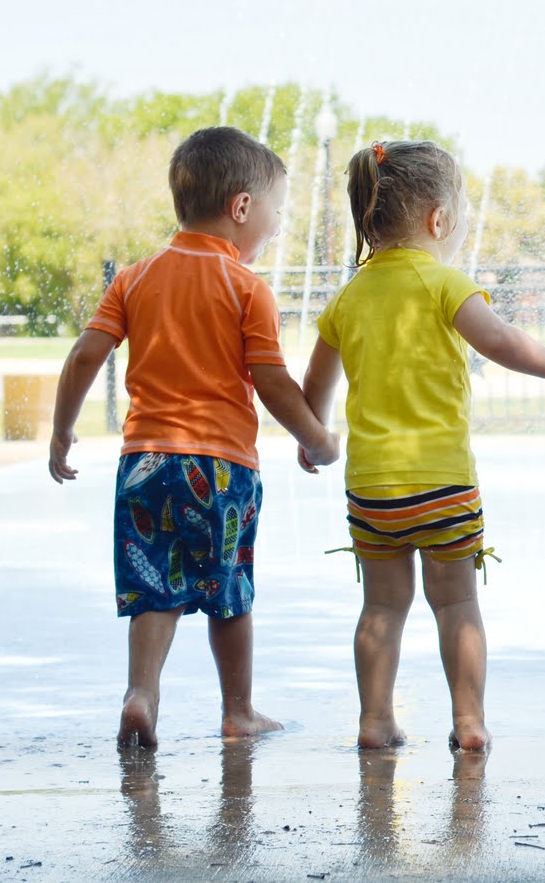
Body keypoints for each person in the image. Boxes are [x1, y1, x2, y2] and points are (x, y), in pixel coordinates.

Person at [49, 126, 340, 748]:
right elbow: (271, 380)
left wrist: (61, 431)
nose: (278, 226)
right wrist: (317, 436)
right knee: (228, 589)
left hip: (146, 462)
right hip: (222, 468)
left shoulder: (134, 277)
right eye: (275, 212)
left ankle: (141, 695)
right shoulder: (247, 288)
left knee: (154, 585)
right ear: (241, 208)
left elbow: (83, 357)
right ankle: (238, 710)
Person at [299, 139, 545, 751]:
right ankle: (469, 722)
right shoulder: (446, 284)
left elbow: (315, 383)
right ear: (438, 218)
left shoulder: (348, 298)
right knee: (456, 605)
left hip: (374, 489)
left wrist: (315, 438)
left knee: (381, 608)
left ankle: (375, 722)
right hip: (445, 486)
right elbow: (501, 341)